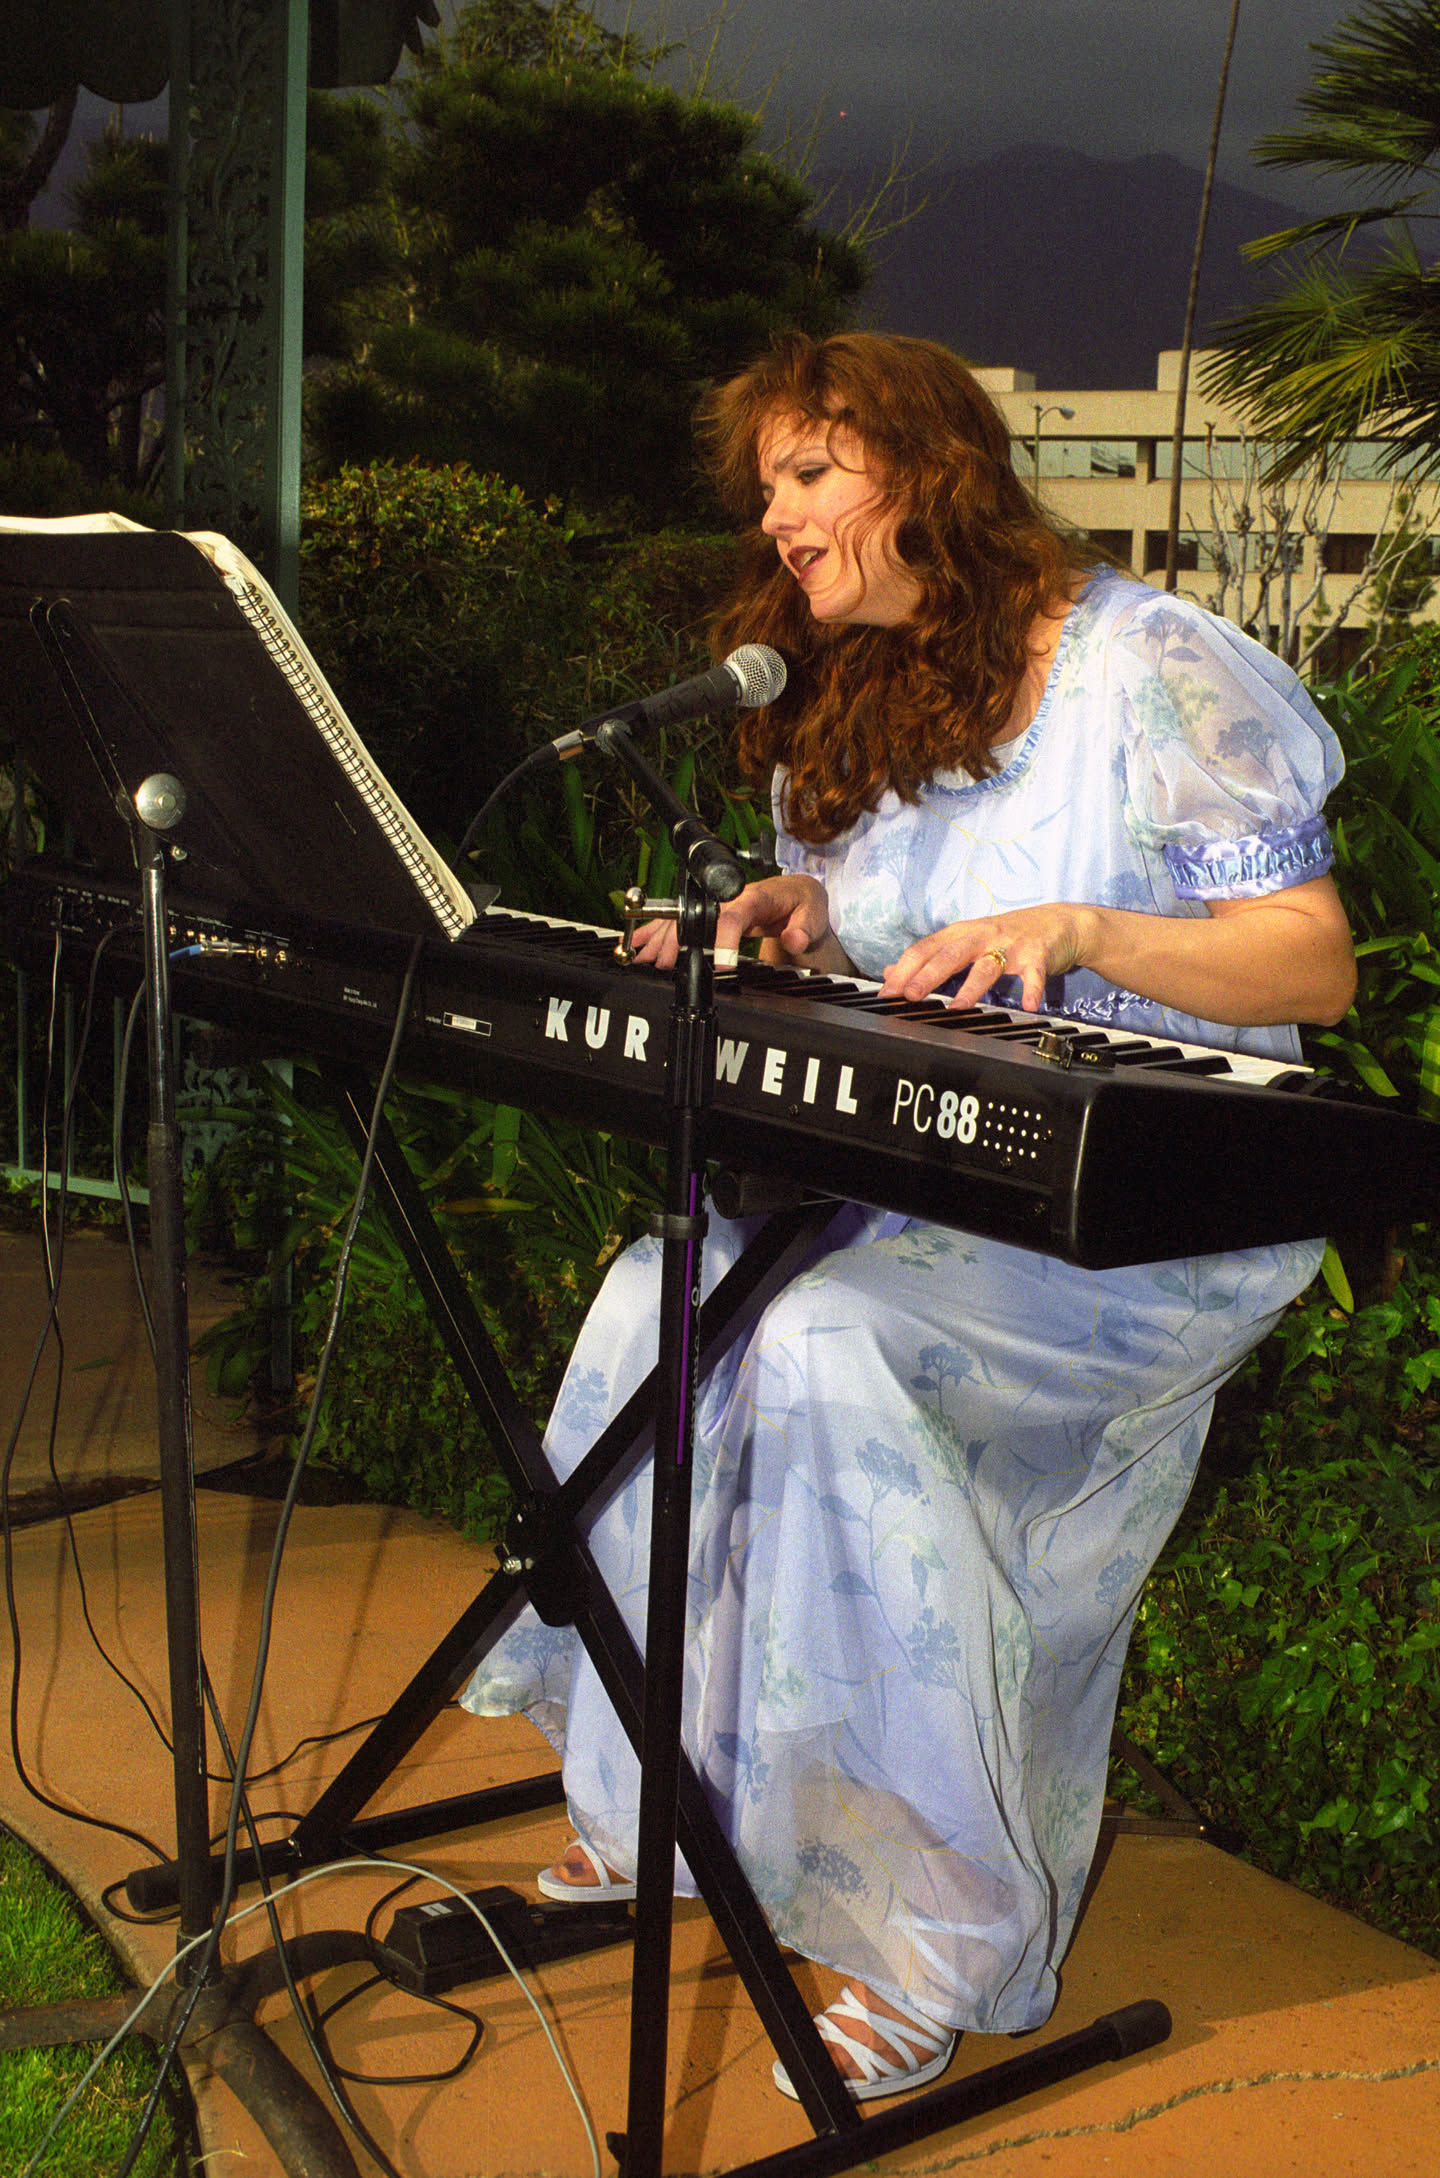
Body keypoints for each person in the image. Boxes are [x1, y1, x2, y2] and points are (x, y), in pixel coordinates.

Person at [462, 331, 1357, 2100]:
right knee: (656, 1300)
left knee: (818, 1343)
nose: (778, 518)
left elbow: (1309, 965)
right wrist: (798, 919)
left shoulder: (1147, 666)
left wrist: (1082, 931)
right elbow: (896, 958)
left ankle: (920, 1929)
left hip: (1152, 1221)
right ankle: (662, 1804)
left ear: (930, 476)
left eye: (812, 475)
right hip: (927, 1193)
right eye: (768, 486)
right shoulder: (851, 690)